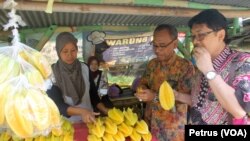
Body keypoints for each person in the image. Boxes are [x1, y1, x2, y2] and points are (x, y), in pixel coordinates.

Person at [175, 9, 250, 125]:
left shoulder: (242, 62)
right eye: (193, 36)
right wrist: (177, 95)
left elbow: (240, 111)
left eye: (200, 35)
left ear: (220, 35)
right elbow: (200, 103)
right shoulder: (201, 66)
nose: (195, 41)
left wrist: (209, 71)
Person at [135, 24, 195, 141]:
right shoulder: (152, 64)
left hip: (172, 130)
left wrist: (154, 97)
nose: (157, 50)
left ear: (175, 44)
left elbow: (187, 99)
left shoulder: (185, 66)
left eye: (162, 45)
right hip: (149, 125)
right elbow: (144, 82)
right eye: (155, 45)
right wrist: (141, 90)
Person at [47, 32, 110, 123]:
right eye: (65, 51)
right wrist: (82, 112)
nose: (70, 55)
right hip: (68, 125)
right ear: (58, 52)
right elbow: (57, 105)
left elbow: (93, 95)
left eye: (73, 50)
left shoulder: (84, 68)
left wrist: (105, 109)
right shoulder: (52, 73)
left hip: (89, 121)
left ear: (77, 50)